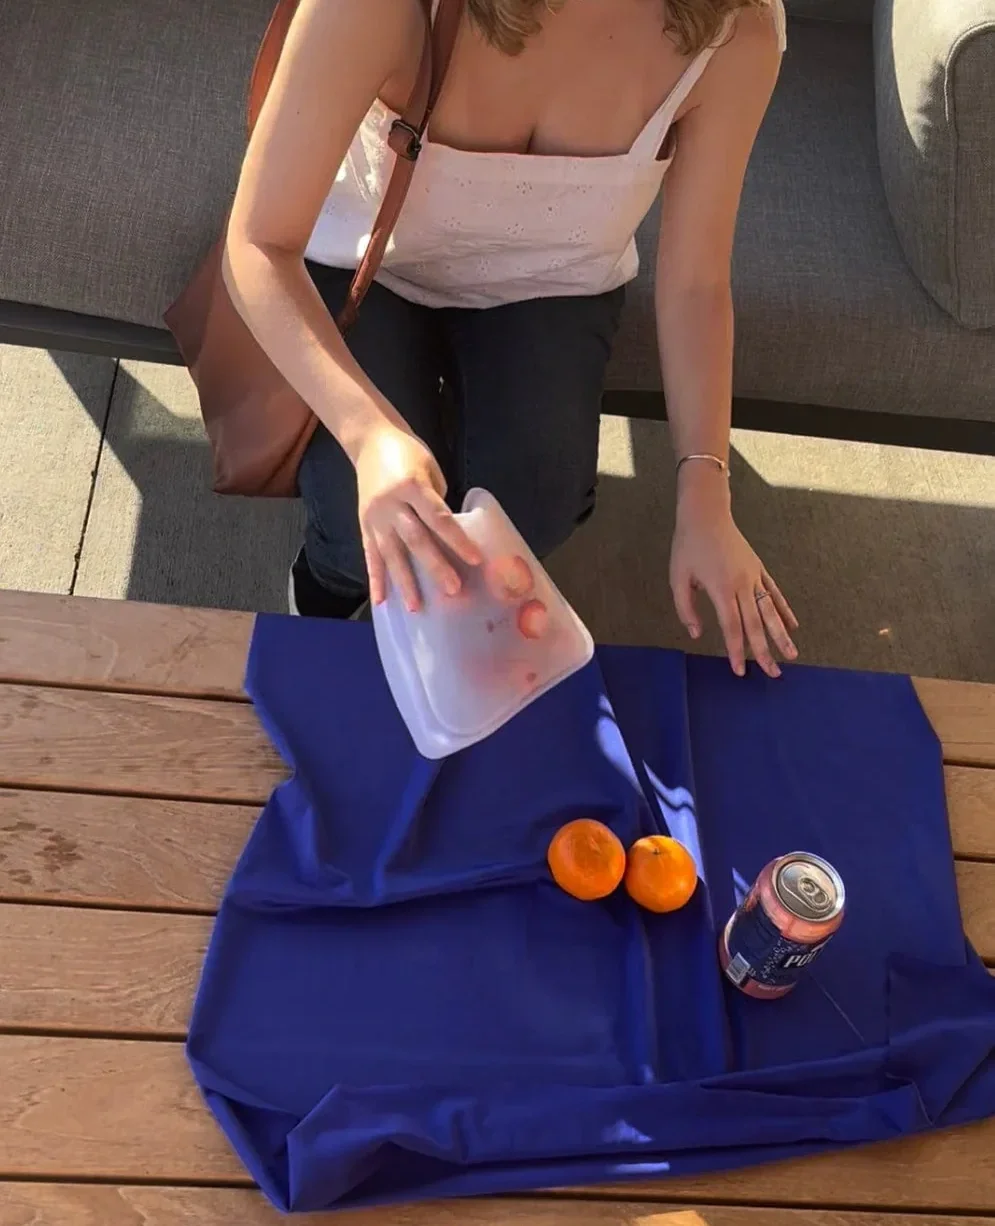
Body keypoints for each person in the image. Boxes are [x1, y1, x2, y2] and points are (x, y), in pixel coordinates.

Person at [223, 0, 799, 678]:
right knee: (362, 525)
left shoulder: (737, 30)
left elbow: (696, 283)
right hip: (364, 263)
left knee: (531, 512)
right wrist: (368, 433)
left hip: (551, 283)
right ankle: (328, 581)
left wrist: (705, 494)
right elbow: (258, 242)